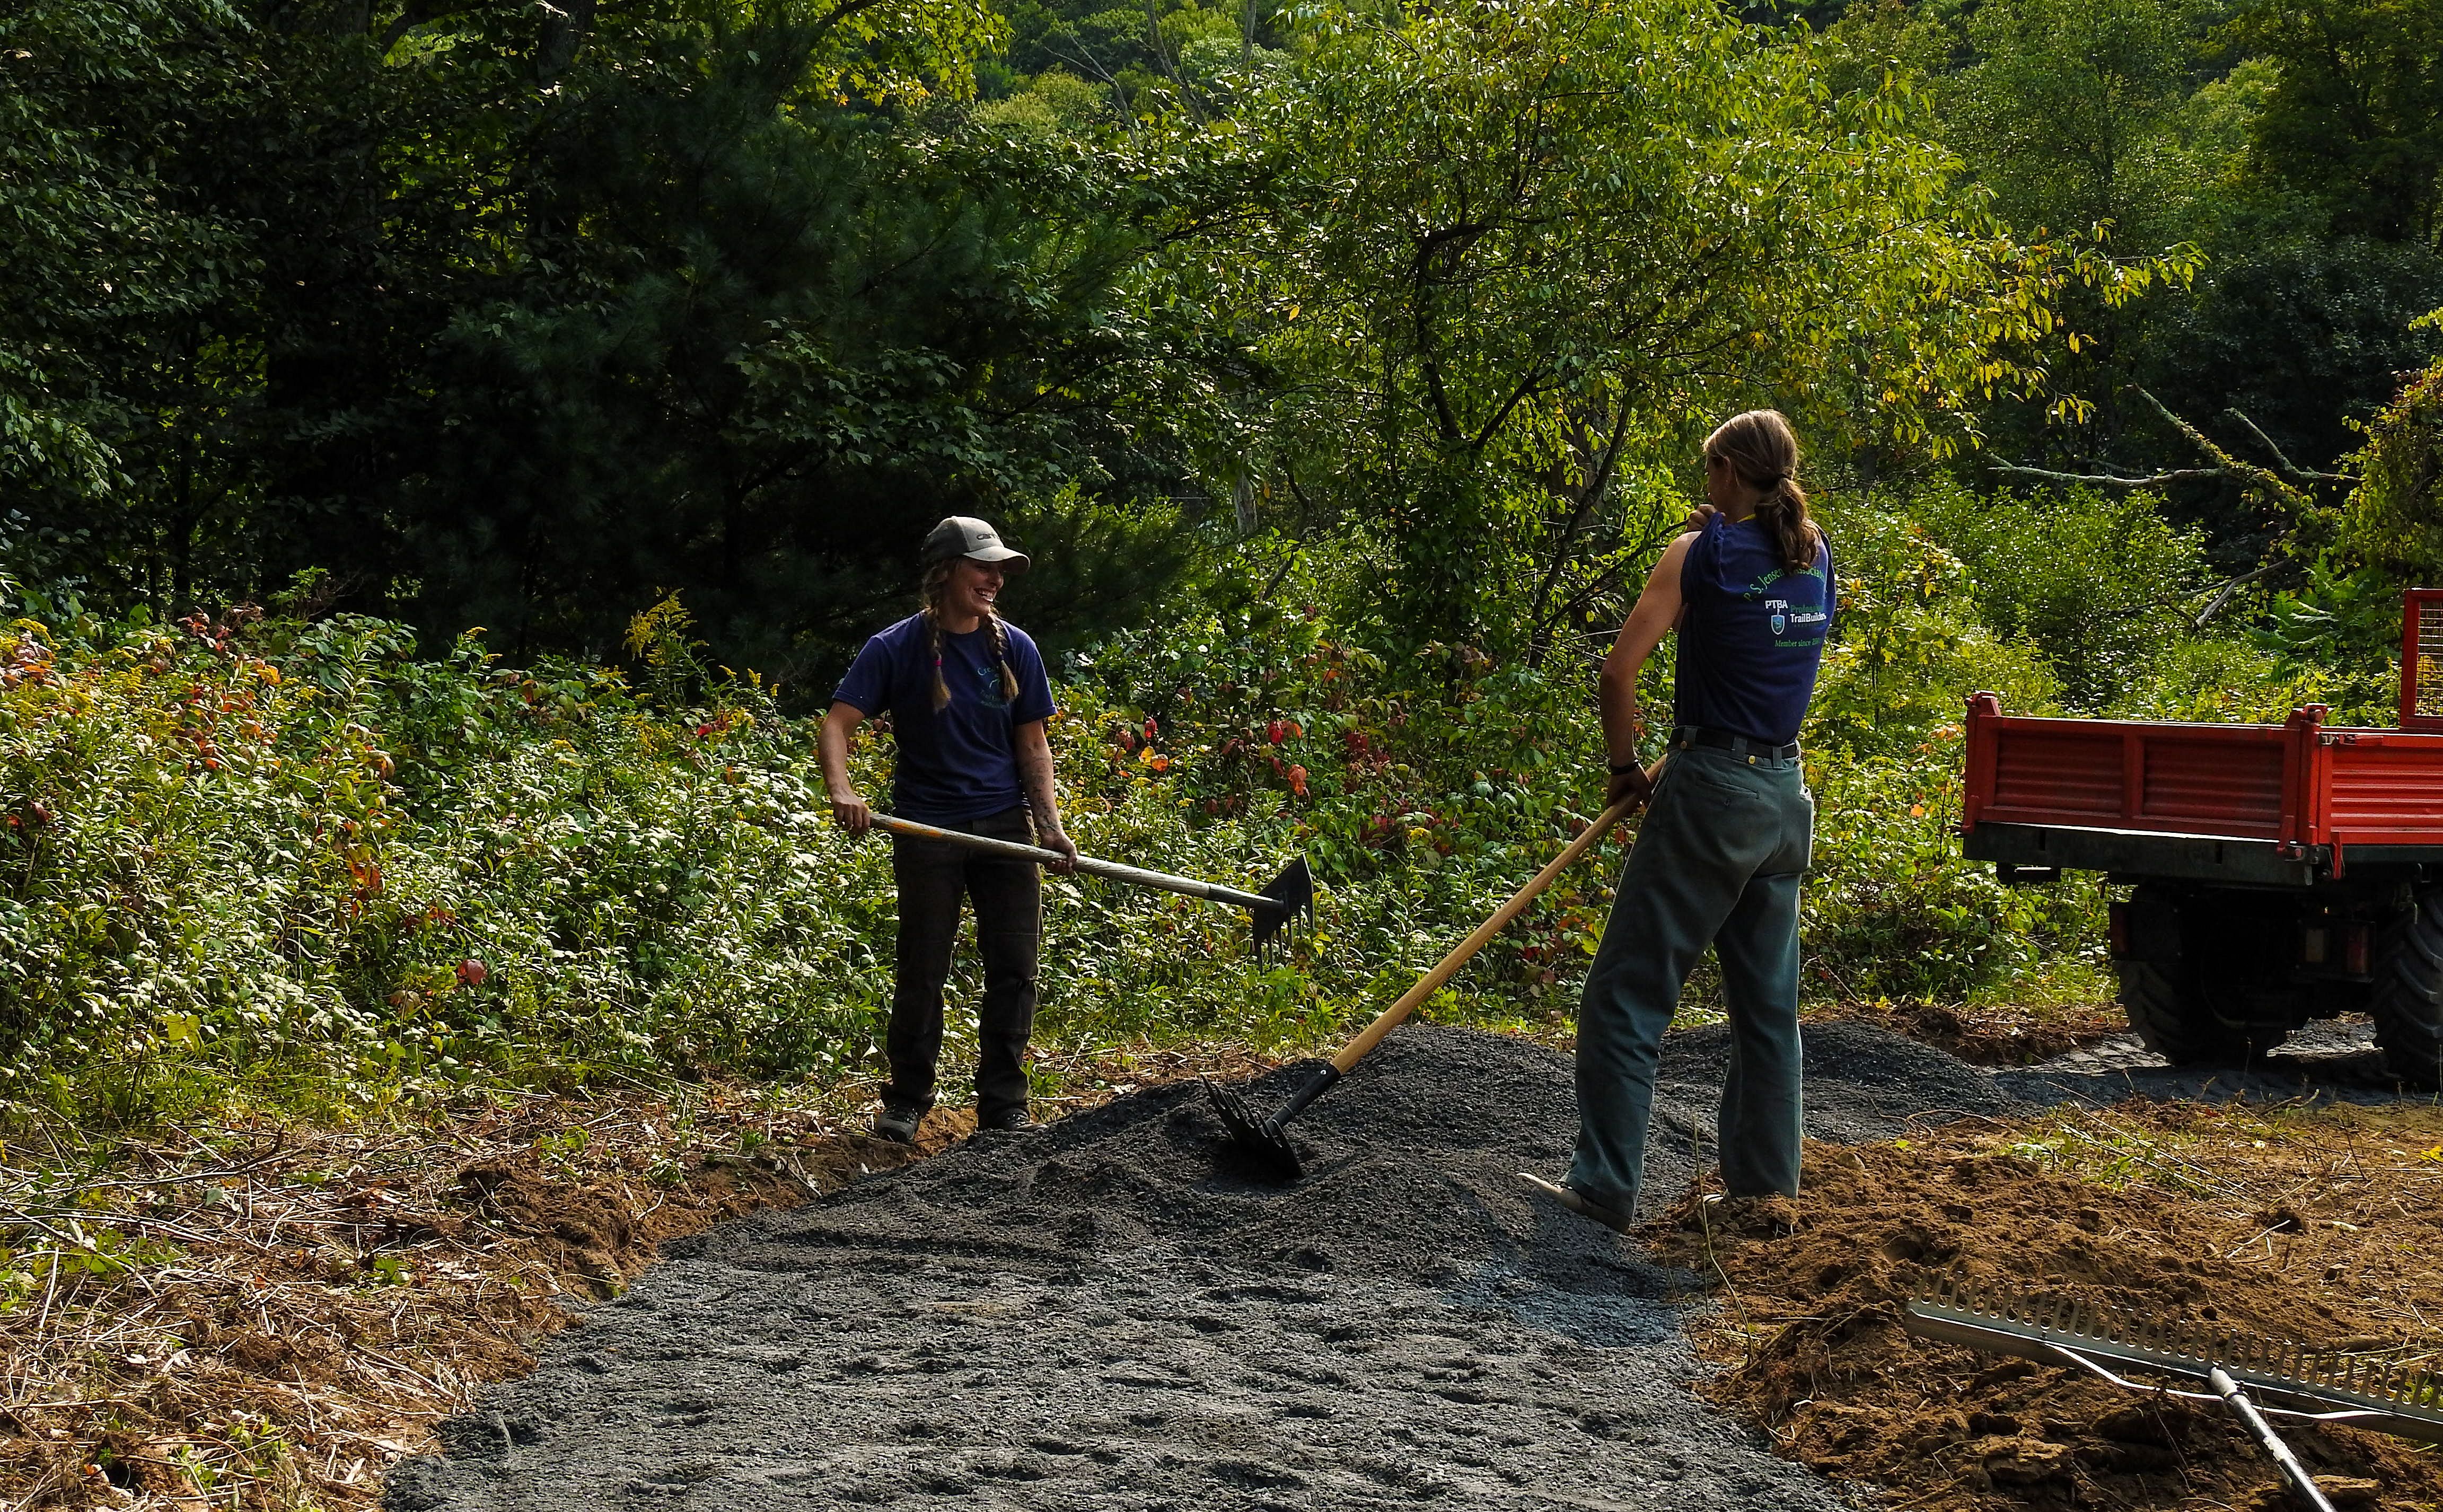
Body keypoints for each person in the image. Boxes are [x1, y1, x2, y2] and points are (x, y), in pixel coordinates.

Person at [1523, 409, 1833, 1231]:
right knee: (1767, 1010)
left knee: (1627, 995)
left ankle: (1602, 1190)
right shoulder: (1813, 553)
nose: (1705, 485)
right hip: (1783, 796)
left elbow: (1618, 672)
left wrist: (1626, 768)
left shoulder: (1698, 556)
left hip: (1711, 795)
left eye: (1709, 472)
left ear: (1729, 470)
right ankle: (1766, 1194)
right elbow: (1755, 637)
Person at [818, 516, 1078, 1143]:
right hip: (926, 825)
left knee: (1015, 966)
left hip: (1003, 827)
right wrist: (843, 791)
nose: (994, 579)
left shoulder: (1016, 647)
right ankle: (907, 1099)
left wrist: (1049, 826)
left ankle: (1004, 1106)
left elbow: (1033, 743)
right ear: (946, 572)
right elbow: (836, 724)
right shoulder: (894, 647)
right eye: (983, 566)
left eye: (999, 570)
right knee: (923, 966)